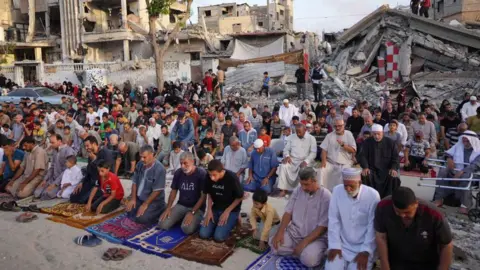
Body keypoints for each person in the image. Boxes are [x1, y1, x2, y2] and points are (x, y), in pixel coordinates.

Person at [375, 187, 453, 270]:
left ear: (416, 204)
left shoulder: (433, 214)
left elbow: (446, 245)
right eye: (398, 212)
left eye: (407, 212)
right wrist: (385, 267)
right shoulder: (383, 207)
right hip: (396, 261)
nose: (402, 216)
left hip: (426, 262)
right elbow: (381, 237)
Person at [270, 167, 330, 268]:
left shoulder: (326, 196)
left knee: (309, 260)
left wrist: (304, 243)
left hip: (315, 238)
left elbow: (322, 227)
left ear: (315, 181)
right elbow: (288, 212)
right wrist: (280, 232)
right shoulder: (298, 190)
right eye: (301, 184)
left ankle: (306, 252)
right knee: (275, 245)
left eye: (306, 184)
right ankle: (299, 251)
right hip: (295, 233)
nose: (303, 188)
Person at [325, 168, 380, 270]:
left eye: (352, 186)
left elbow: (372, 226)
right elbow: (333, 220)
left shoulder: (372, 195)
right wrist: (334, 245)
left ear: (360, 182)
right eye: (346, 186)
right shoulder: (337, 191)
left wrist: (366, 251)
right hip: (342, 245)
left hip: (363, 247)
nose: (348, 189)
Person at [158, 152, 207, 235]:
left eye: (185, 163)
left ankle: (192, 218)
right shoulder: (178, 173)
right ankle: (182, 217)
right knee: (162, 224)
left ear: (192, 161)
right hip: (181, 205)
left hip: (196, 208)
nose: (182, 166)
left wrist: (192, 212)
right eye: (181, 163)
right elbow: (173, 191)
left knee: (186, 228)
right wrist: (168, 208)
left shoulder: (201, 174)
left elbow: (203, 197)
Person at [433, 131, 480, 214]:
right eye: (463, 140)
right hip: (455, 171)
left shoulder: (478, 150)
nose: (464, 142)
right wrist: (449, 158)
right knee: (443, 171)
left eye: (467, 141)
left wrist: (461, 172)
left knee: (466, 177)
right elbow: (447, 154)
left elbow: (475, 165)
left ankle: (465, 205)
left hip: (473, 174)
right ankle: (438, 199)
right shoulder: (458, 146)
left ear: (473, 140)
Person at [199, 160, 243, 242]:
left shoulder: (232, 177)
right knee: (203, 234)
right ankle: (219, 224)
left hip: (231, 210)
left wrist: (227, 211)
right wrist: (209, 210)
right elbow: (209, 194)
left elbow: (240, 197)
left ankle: (235, 218)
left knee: (218, 237)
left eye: (214, 175)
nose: (212, 178)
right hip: (216, 208)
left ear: (222, 172)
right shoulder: (208, 177)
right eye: (210, 175)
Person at [126, 145, 167, 224]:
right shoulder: (140, 164)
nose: (142, 159)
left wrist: (145, 204)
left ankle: (161, 208)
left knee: (142, 219)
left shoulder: (160, 169)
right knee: (129, 211)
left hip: (154, 201)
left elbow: (157, 191)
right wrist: (133, 199)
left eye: (144, 157)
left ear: (152, 155)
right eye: (141, 157)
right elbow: (134, 182)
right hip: (140, 198)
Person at [70, 135, 115, 204]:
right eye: (85, 146)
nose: (86, 148)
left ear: (94, 144)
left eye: (87, 146)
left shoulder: (105, 153)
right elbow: (88, 172)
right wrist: (82, 182)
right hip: (92, 183)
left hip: (102, 184)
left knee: (85, 200)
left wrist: (94, 159)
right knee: (73, 197)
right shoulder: (91, 155)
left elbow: (108, 172)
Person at [359, 124, 400, 198]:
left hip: (387, 169)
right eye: (374, 134)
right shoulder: (367, 142)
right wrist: (365, 167)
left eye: (378, 134)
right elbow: (362, 156)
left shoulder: (390, 143)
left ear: (383, 133)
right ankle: (368, 197)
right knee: (365, 175)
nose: (376, 136)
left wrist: (393, 168)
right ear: (372, 134)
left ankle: (388, 198)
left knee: (393, 177)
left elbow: (395, 158)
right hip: (371, 169)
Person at [277, 124, 317, 197]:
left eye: (300, 132)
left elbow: (313, 153)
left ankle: (302, 191)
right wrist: (287, 156)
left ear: (305, 130)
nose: (298, 134)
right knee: (283, 166)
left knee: (304, 170)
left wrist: (306, 161)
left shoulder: (311, 138)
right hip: (293, 160)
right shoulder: (291, 137)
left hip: (304, 161)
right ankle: (283, 189)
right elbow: (286, 150)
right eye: (296, 132)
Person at [34, 134, 76, 200]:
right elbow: (52, 167)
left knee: (46, 194)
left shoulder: (68, 151)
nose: (51, 144)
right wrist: (45, 179)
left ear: (59, 141)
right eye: (50, 142)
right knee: (37, 193)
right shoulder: (55, 150)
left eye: (52, 142)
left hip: (62, 181)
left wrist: (55, 184)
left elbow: (67, 171)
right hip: (53, 178)